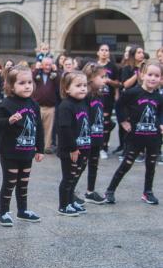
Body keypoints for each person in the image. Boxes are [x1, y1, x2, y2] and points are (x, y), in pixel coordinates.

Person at [104, 61, 163, 205]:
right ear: (142, 75)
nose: (152, 78)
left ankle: (147, 192)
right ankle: (110, 190)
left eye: (156, 76)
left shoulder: (159, 97)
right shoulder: (132, 92)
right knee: (127, 163)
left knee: (151, 165)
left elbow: (161, 112)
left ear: (161, 79)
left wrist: (161, 123)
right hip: (135, 137)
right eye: (150, 74)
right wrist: (123, 121)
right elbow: (119, 105)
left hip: (153, 137)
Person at [0, 65, 44, 226]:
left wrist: (40, 148)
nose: (27, 86)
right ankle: (4, 212)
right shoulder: (6, 104)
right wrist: (8, 121)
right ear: (11, 86)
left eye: (29, 82)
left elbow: (39, 127)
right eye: (22, 83)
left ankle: (22, 211)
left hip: (27, 151)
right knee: (10, 183)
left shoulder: (33, 104)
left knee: (23, 183)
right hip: (10, 152)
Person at [57, 71, 90, 217]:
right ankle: (64, 205)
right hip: (70, 150)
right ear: (67, 89)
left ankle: (71, 201)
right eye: (78, 86)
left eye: (84, 85)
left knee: (75, 176)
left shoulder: (83, 103)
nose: (83, 88)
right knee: (68, 177)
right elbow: (65, 128)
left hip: (83, 147)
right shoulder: (66, 106)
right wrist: (73, 148)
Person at [82, 63, 108, 204]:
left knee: (94, 164)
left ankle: (90, 192)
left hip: (97, 135)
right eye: (102, 77)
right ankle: (69, 192)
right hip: (87, 137)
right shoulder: (85, 96)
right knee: (81, 165)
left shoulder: (100, 94)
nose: (105, 79)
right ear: (91, 78)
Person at [117, 45, 146, 160]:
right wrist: (137, 74)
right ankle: (127, 150)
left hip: (142, 99)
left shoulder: (146, 68)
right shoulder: (127, 69)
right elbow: (125, 84)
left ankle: (140, 151)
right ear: (133, 55)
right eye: (139, 52)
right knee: (129, 126)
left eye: (142, 52)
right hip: (130, 101)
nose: (141, 54)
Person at [96, 44, 120, 159]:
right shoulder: (94, 66)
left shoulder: (113, 67)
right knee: (95, 123)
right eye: (102, 50)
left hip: (107, 99)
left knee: (105, 124)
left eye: (107, 50)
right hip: (95, 98)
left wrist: (109, 81)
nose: (104, 52)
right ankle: (95, 146)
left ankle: (103, 148)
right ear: (98, 52)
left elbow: (118, 83)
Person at [33, 57, 60, 153]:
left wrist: (56, 71)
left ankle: (46, 147)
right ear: (42, 65)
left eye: (49, 65)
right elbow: (31, 79)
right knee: (35, 127)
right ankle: (34, 146)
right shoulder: (37, 74)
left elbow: (60, 84)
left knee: (48, 129)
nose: (47, 67)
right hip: (37, 107)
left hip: (50, 107)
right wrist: (36, 69)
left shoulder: (54, 75)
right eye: (46, 64)